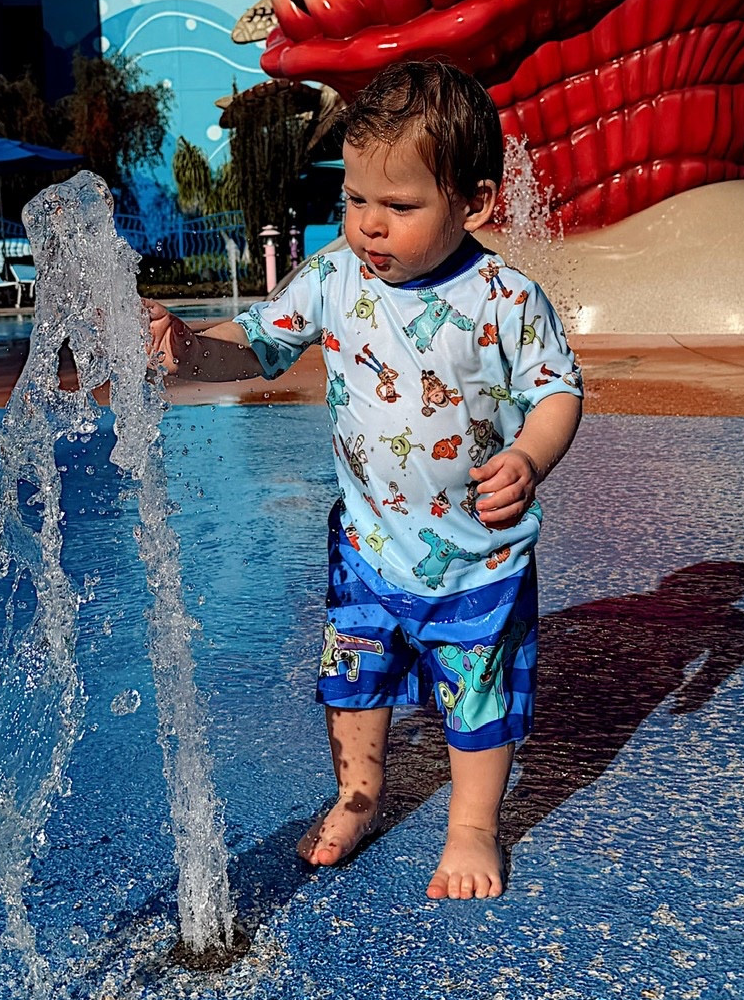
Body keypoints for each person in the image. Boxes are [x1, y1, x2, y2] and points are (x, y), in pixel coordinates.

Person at [146, 61, 584, 902]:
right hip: (369, 542)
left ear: (476, 203)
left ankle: (473, 825)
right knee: (353, 680)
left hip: (478, 555)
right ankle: (358, 795)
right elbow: (257, 343)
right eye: (354, 200)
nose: (369, 226)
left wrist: (528, 458)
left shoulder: (505, 297)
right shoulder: (333, 278)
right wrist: (188, 347)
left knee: (477, 692)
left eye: (399, 206)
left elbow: (557, 392)